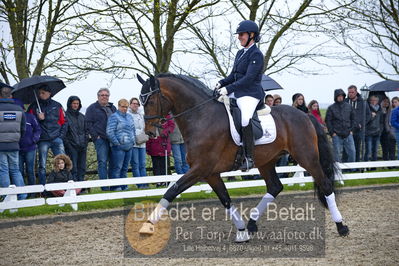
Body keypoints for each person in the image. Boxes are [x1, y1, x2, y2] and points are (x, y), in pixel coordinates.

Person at [215, 20, 265, 171]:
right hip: (237, 92)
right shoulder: (240, 53)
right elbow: (234, 75)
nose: (239, 37)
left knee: (245, 119)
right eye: (239, 35)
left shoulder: (256, 54)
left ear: (251, 35)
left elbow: (248, 79)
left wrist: (228, 89)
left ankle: (249, 158)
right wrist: (221, 83)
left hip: (250, 94)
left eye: (241, 35)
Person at [27, 86, 67, 185]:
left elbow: (64, 122)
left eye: (43, 92)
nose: (41, 95)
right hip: (42, 140)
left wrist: (60, 136)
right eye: (39, 93)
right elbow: (28, 122)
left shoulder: (57, 105)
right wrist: (37, 117)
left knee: (63, 163)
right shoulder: (33, 106)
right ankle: (43, 188)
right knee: (42, 165)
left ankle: (63, 186)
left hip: (56, 138)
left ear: (49, 93)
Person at [85, 88, 116, 191]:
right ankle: (104, 187)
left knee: (113, 162)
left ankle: (114, 185)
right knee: (102, 162)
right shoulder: (92, 108)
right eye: (102, 95)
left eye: (106, 95)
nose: (104, 97)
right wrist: (95, 136)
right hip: (101, 139)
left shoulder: (112, 108)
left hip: (112, 139)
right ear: (98, 96)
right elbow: (88, 123)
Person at [0, 86, 27, 200]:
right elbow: (24, 128)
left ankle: (8, 196)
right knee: (15, 170)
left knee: (3, 170)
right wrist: (17, 139)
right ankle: (22, 195)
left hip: (1, 146)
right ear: (11, 96)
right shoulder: (19, 109)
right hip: (14, 144)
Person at [107, 99, 135, 191]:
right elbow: (110, 132)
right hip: (118, 147)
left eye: (126, 107)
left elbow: (133, 129)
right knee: (117, 167)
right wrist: (116, 143)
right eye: (123, 106)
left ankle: (124, 186)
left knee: (125, 168)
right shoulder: (114, 117)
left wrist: (132, 141)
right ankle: (115, 186)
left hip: (129, 146)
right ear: (118, 106)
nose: (125, 108)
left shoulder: (130, 117)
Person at [15, 99, 41, 192]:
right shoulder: (13, 118)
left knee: (30, 171)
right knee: (19, 171)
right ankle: (22, 191)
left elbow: (38, 129)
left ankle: (32, 191)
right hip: (17, 149)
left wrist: (34, 139)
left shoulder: (30, 117)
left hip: (30, 148)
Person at [325, 89, 356, 163]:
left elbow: (353, 119)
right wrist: (332, 133)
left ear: (344, 96)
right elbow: (328, 121)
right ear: (335, 97)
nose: (340, 97)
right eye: (338, 96)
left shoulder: (349, 107)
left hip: (348, 134)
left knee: (352, 152)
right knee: (337, 154)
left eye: (342, 96)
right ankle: (339, 170)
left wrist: (352, 130)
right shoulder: (331, 108)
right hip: (336, 135)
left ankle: (352, 169)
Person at [64, 96, 88, 184]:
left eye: (77, 103)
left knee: (82, 167)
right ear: (70, 104)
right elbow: (64, 132)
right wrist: (68, 144)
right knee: (73, 167)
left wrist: (85, 143)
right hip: (71, 146)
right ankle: (74, 186)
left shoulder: (82, 116)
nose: (75, 105)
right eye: (74, 103)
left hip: (82, 146)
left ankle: (81, 186)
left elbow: (86, 130)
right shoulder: (65, 116)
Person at [146, 114, 175, 185]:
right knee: (156, 165)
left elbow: (171, 126)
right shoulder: (151, 116)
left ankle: (165, 181)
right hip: (154, 143)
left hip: (164, 143)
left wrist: (165, 132)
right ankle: (158, 182)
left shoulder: (167, 116)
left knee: (165, 165)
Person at [345, 85, 371, 162]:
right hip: (347, 130)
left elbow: (368, 114)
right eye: (349, 92)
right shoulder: (345, 102)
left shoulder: (363, 102)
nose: (350, 94)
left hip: (358, 130)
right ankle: (346, 168)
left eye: (352, 92)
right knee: (346, 149)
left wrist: (362, 124)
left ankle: (355, 167)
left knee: (357, 148)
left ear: (356, 92)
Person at [128, 97, 148, 188]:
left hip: (142, 142)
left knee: (143, 164)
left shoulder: (141, 115)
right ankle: (139, 184)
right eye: (133, 103)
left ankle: (145, 183)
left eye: (137, 104)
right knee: (135, 164)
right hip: (134, 143)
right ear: (130, 104)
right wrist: (137, 134)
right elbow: (129, 128)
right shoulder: (128, 115)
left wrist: (142, 134)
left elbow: (144, 127)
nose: (135, 105)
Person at [363, 95, 383, 162]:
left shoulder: (380, 109)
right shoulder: (367, 108)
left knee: (375, 151)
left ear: (378, 101)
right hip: (368, 133)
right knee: (368, 150)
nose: (373, 102)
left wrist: (380, 130)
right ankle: (365, 166)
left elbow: (381, 122)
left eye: (375, 100)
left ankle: (373, 167)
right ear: (369, 100)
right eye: (372, 100)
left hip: (377, 133)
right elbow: (364, 121)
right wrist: (371, 117)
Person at [380, 97, 396, 161]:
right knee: (384, 149)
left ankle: (392, 163)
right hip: (381, 132)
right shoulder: (380, 110)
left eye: (387, 102)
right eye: (384, 101)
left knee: (392, 148)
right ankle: (385, 162)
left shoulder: (391, 111)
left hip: (390, 131)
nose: (386, 103)